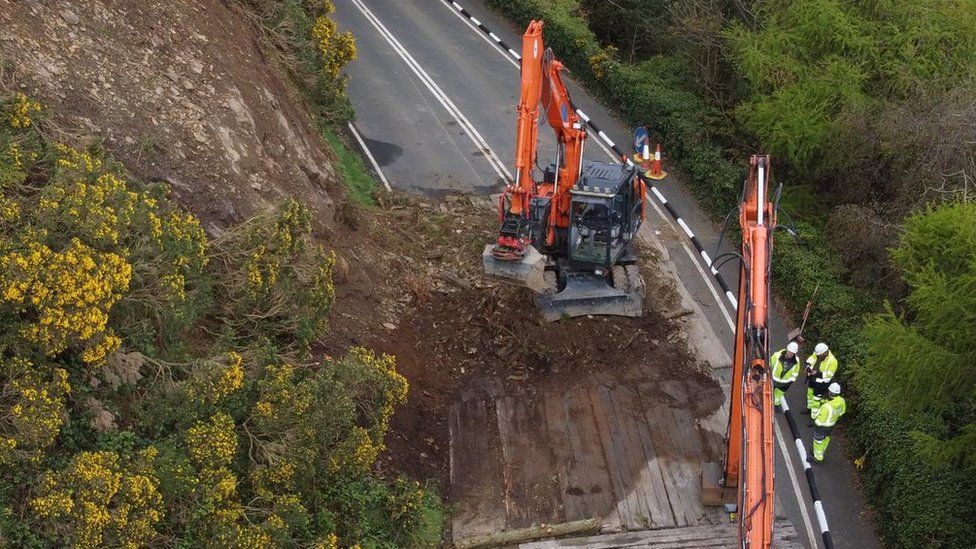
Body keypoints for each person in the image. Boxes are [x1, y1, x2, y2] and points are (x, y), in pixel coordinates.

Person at [812, 383, 846, 462]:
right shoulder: (841, 401)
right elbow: (841, 412)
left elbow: (819, 422)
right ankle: (821, 452)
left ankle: (818, 457)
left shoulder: (827, 407)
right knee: (825, 439)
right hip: (831, 425)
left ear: (829, 392)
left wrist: (815, 421)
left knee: (818, 441)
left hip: (822, 427)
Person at [805, 342, 838, 419]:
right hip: (813, 379)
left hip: (821, 384)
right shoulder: (817, 354)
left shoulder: (833, 361)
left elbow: (829, 374)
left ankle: (814, 417)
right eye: (818, 355)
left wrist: (816, 373)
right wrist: (808, 365)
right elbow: (811, 358)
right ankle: (809, 409)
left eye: (820, 355)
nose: (819, 356)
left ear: (825, 352)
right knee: (809, 395)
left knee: (816, 400)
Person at [771, 341, 801, 407]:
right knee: (769, 393)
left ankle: (775, 405)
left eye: (792, 353)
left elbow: (795, 373)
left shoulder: (797, 361)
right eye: (790, 352)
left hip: (785, 384)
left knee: (778, 397)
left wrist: (791, 381)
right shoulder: (776, 356)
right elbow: (769, 366)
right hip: (773, 380)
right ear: (787, 349)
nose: (790, 354)